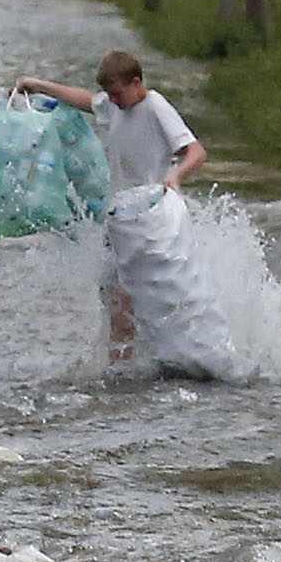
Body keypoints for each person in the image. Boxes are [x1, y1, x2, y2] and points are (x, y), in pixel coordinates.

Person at [15, 50, 203, 363]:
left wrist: (175, 175)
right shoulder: (114, 105)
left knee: (130, 298)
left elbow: (196, 151)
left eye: (117, 94)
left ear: (136, 82)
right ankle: (125, 364)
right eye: (110, 95)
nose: (112, 102)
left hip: (151, 221)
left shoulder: (154, 106)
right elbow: (85, 100)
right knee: (113, 298)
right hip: (118, 220)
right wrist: (38, 85)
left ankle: (128, 367)